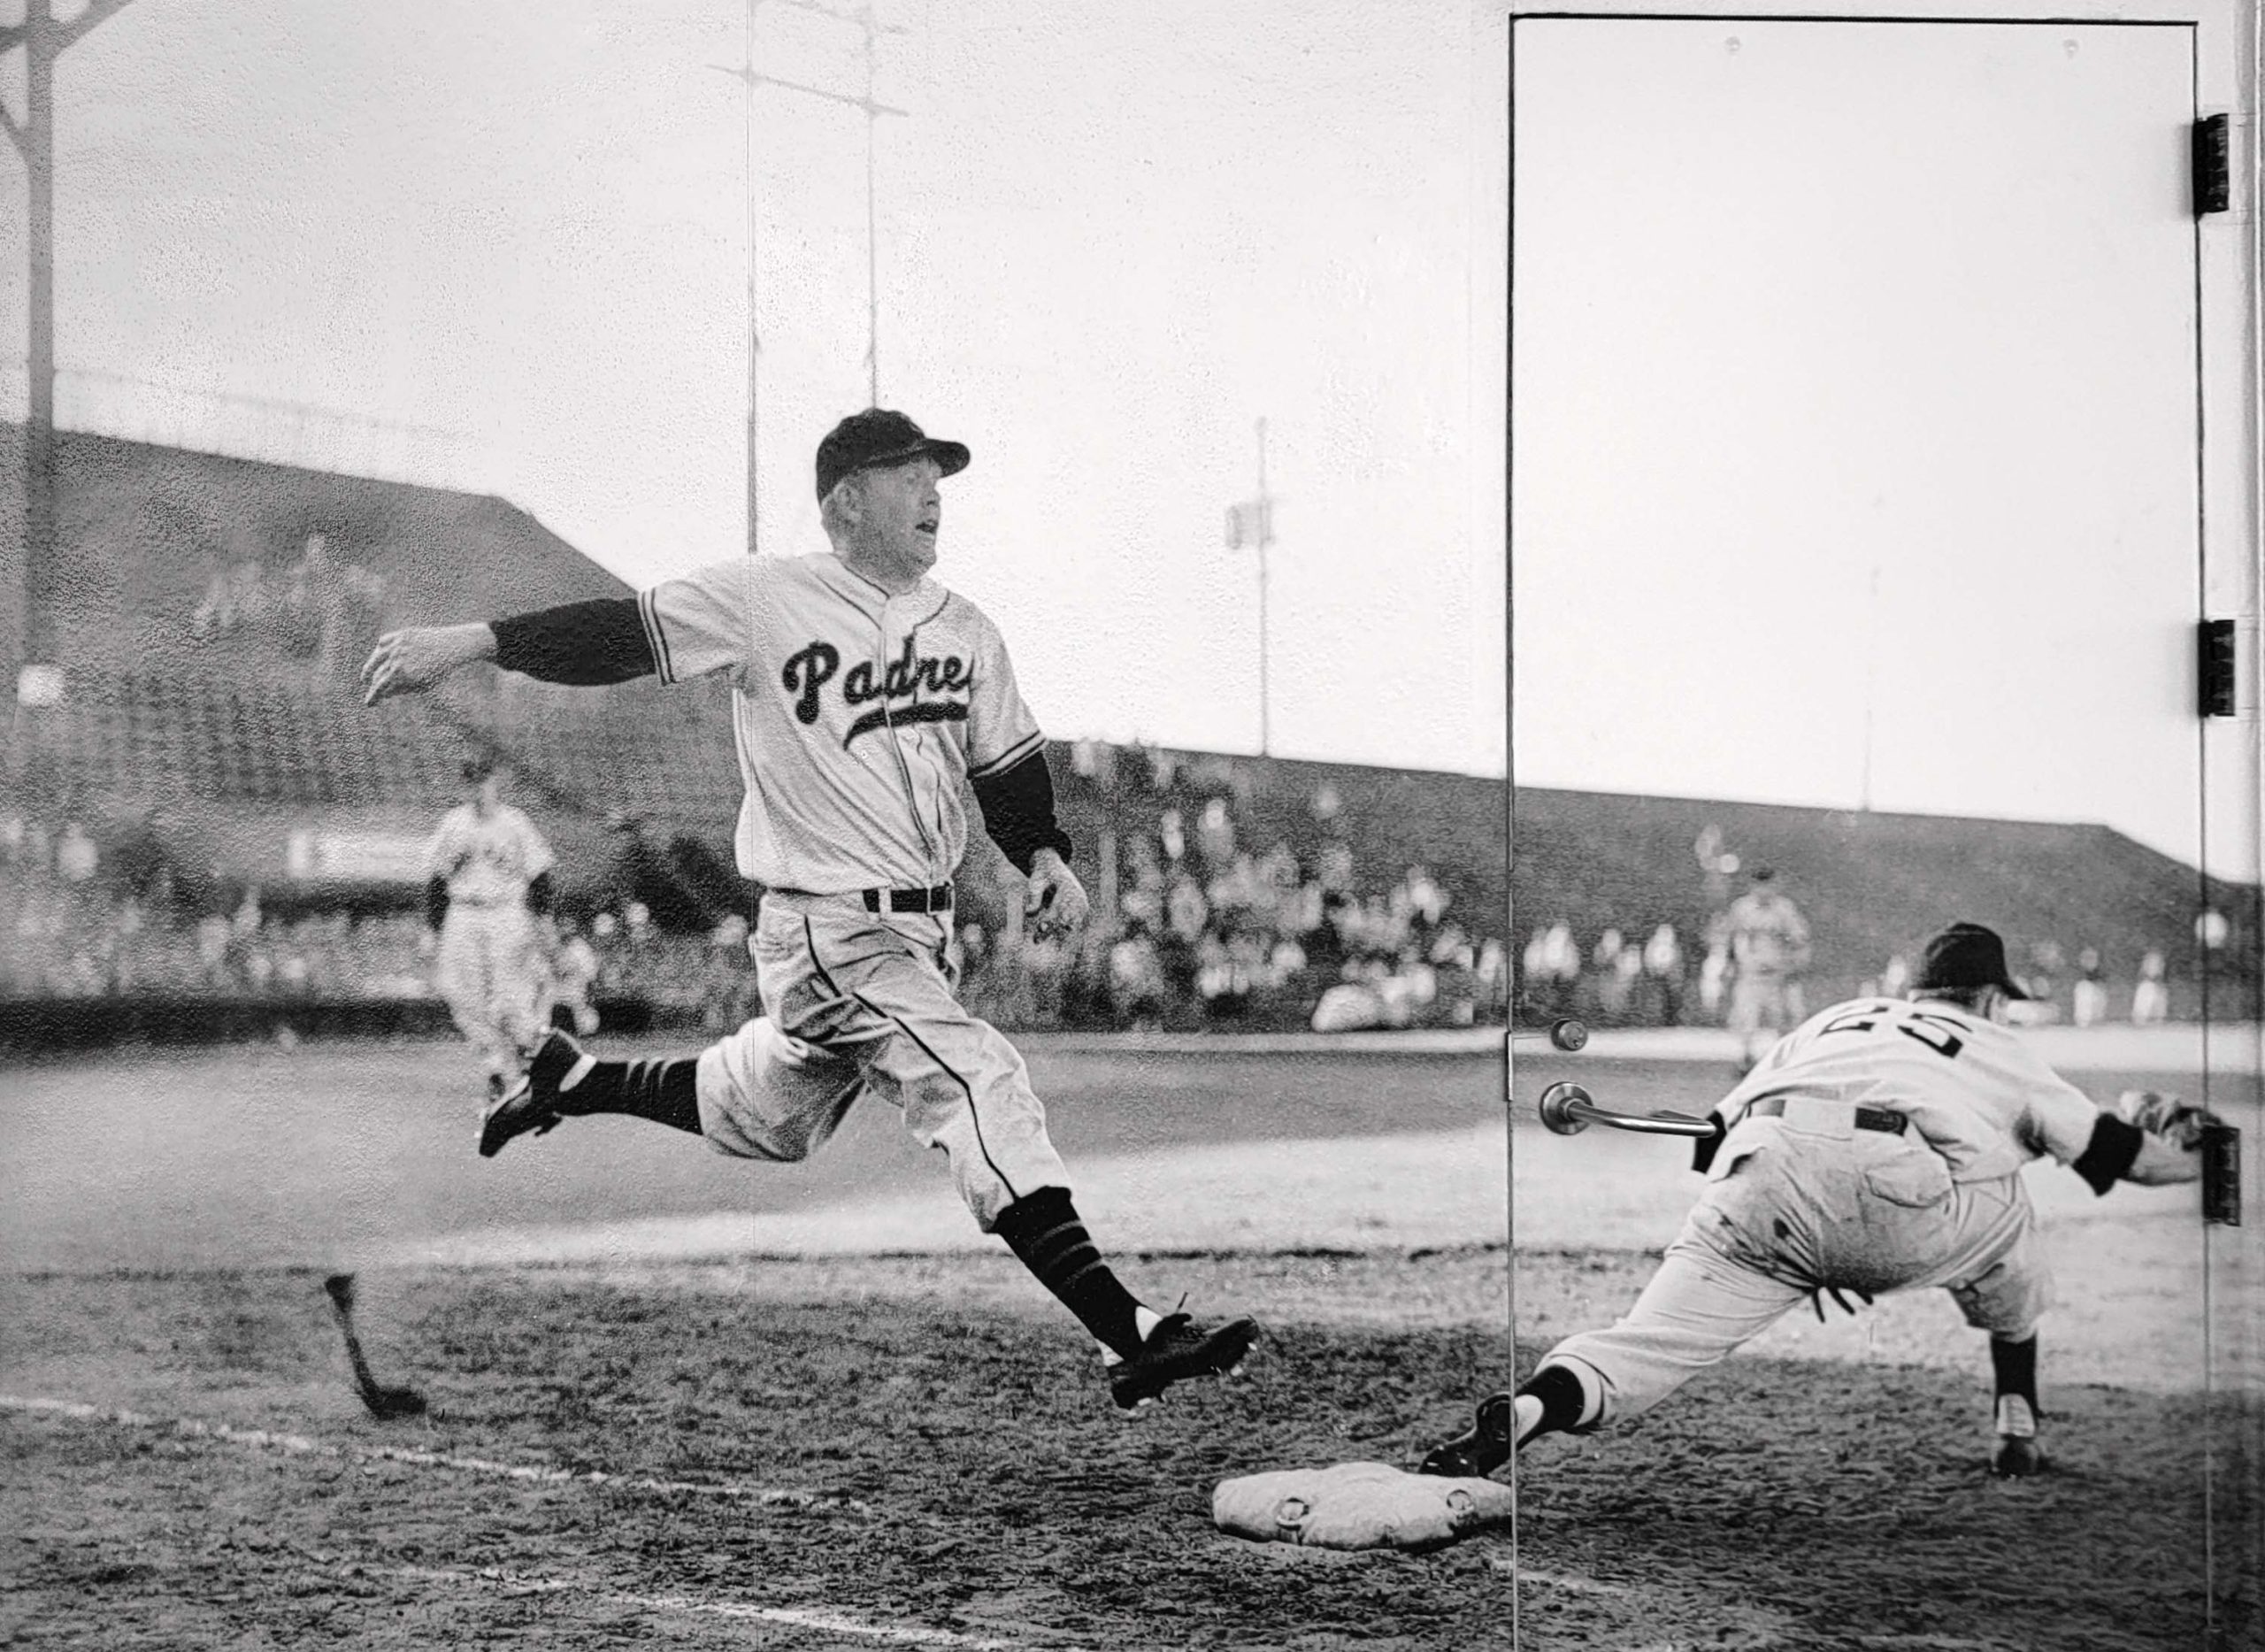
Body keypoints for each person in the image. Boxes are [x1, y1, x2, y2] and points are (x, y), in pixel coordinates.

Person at [362, 407, 1256, 1412]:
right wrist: (474, 641)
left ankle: (571, 1080)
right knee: (974, 1077)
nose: (933, 496)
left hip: (914, 933)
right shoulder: (765, 599)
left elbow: (1004, 762)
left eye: (938, 479)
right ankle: (1125, 1330)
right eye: (910, 476)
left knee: (769, 1114)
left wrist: (1041, 850)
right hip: (828, 925)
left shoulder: (965, 628)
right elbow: (623, 634)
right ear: (845, 500)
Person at [1419, 923, 2205, 1483]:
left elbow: (1718, 1130)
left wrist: (1811, 1235)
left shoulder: (1834, 1020)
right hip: (1897, 1192)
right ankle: (2016, 1408)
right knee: (2007, 1201)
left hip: (1757, 1174)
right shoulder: (1996, 1041)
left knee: (1646, 1343)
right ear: (1991, 997)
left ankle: (1526, 1411)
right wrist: (2205, 1160)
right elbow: (2119, 1156)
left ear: (1916, 989)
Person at [423, 756, 558, 1103]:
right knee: (458, 993)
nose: (477, 789)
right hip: (463, 913)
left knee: (510, 996)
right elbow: (436, 881)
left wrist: (542, 920)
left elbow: (540, 876)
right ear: (462, 786)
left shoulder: (515, 823)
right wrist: (432, 929)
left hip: (507, 912)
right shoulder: (453, 823)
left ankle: (528, 1063)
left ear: (495, 784)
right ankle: (498, 1068)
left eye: (482, 781)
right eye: (470, 782)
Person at [1722, 867, 1811, 1070]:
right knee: (1746, 1017)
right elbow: (1730, 939)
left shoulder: (1784, 909)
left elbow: (1799, 939)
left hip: (1777, 974)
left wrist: (1795, 966)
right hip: (1750, 972)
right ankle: (1745, 1057)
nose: (1764, 890)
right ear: (1752, 885)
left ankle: (1783, 1061)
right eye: (1759, 885)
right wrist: (1729, 966)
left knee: (1783, 1018)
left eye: (1768, 885)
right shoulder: (1742, 908)